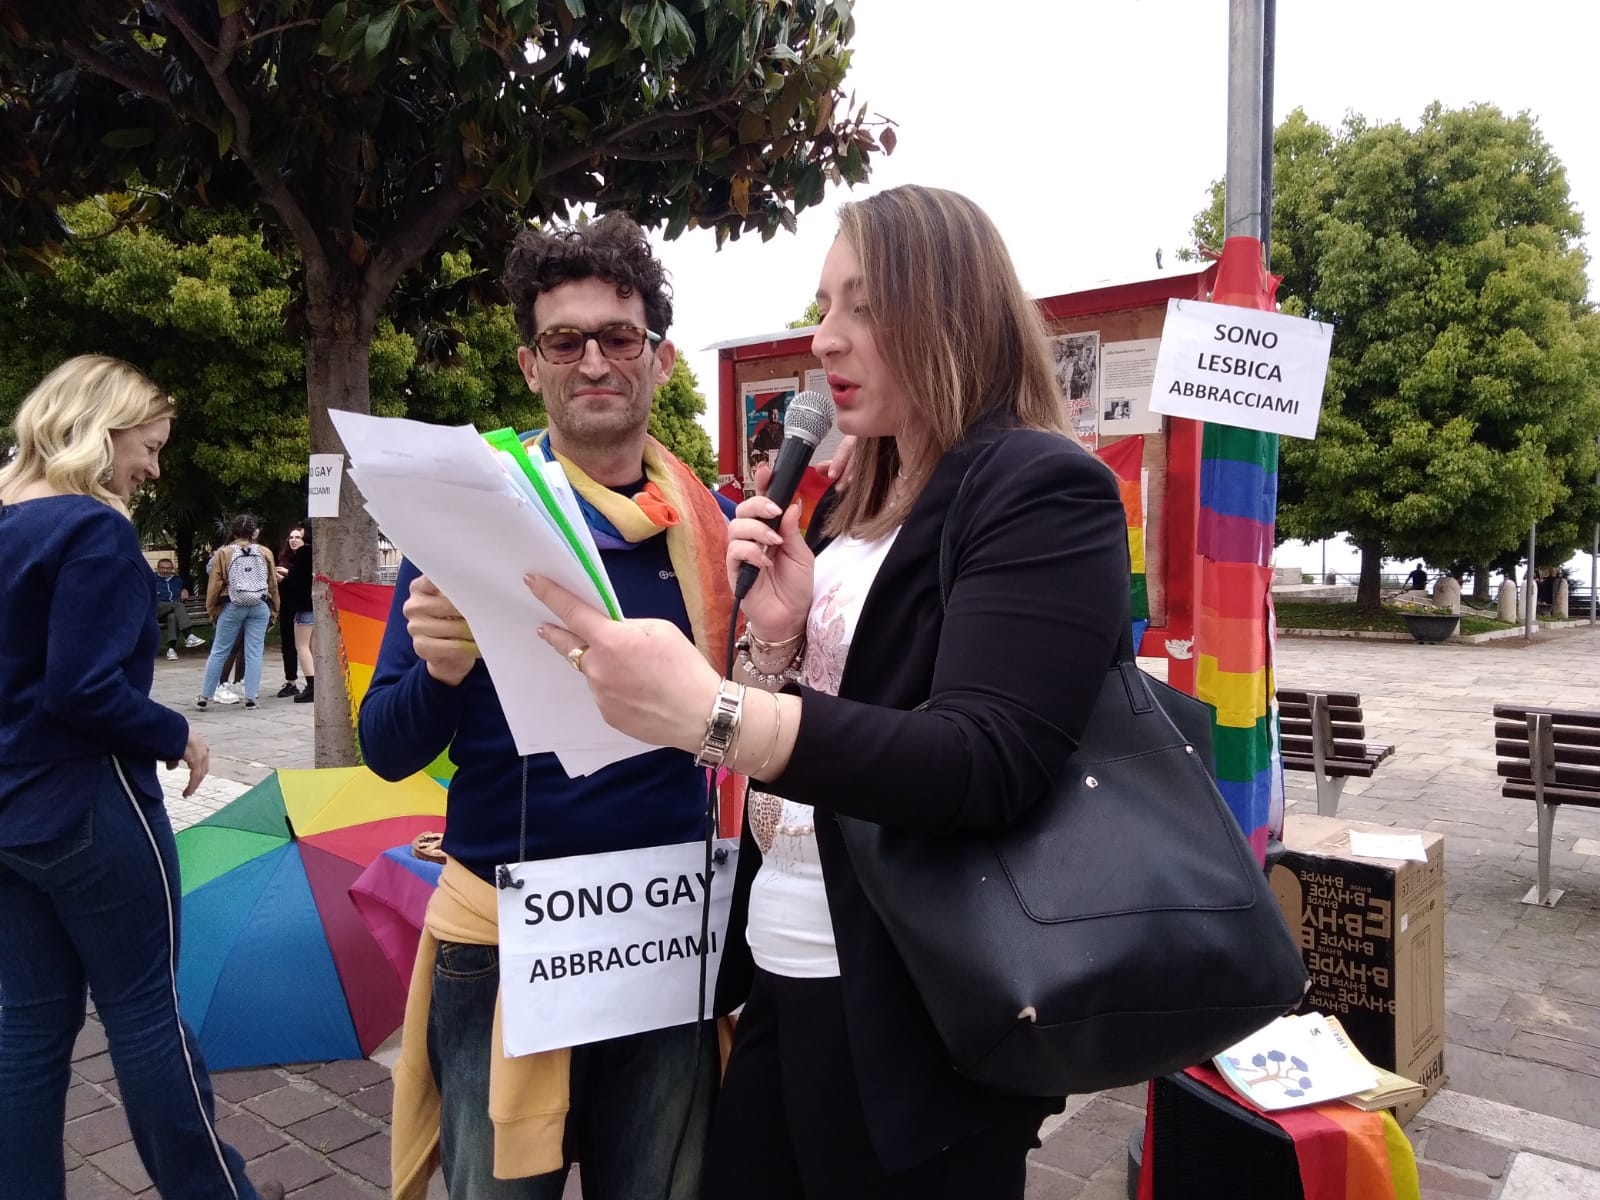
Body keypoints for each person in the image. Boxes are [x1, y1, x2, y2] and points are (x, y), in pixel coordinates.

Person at [527, 185, 1130, 1199]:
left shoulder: (1040, 485)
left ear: (949, 311)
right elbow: (832, 711)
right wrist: (773, 641)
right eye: (822, 303)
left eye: (860, 304)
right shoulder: (861, 495)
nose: (824, 337)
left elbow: (983, 759)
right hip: (787, 964)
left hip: (912, 1007)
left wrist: (716, 714)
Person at [361, 213, 733, 1200]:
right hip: (502, 938)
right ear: (531, 365)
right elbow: (385, 750)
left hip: (664, 926)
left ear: (655, 357)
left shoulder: (714, 531)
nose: (595, 361)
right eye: (566, 341)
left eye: (619, 337)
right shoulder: (470, 514)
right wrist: (438, 672)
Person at [0, 355, 280, 1200]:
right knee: (145, 1013)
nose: (152, 469)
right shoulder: (92, 529)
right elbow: (83, 689)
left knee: (28, 1031)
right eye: (147, 446)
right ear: (98, 425)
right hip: (91, 803)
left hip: (8, 812)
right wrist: (177, 732)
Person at [197, 514, 279, 710]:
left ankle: (205, 695)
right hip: (259, 605)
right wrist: (274, 608)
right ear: (254, 532)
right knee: (254, 652)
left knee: (219, 651)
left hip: (233, 604)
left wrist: (212, 609)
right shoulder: (264, 551)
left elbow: (214, 584)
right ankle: (251, 697)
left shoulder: (224, 553)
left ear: (233, 531)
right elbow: (272, 583)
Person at [275, 524, 316, 702]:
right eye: (290, 537)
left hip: (303, 606)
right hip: (314, 605)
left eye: (298, 536)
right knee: (312, 646)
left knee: (302, 646)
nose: (293, 540)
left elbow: (298, 584)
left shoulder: (303, 554)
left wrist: (283, 579)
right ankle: (315, 683)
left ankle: (312, 685)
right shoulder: (315, 552)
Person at [151, 557, 206, 659]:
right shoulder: (152, 579)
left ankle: (171, 650)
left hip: (170, 611)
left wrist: (184, 589)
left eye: (168, 568)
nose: (165, 570)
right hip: (157, 609)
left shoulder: (177, 580)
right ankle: (188, 635)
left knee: (172, 617)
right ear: (158, 568)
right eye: (162, 568)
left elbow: (188, 587)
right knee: (178, 604)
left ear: (172, 569)